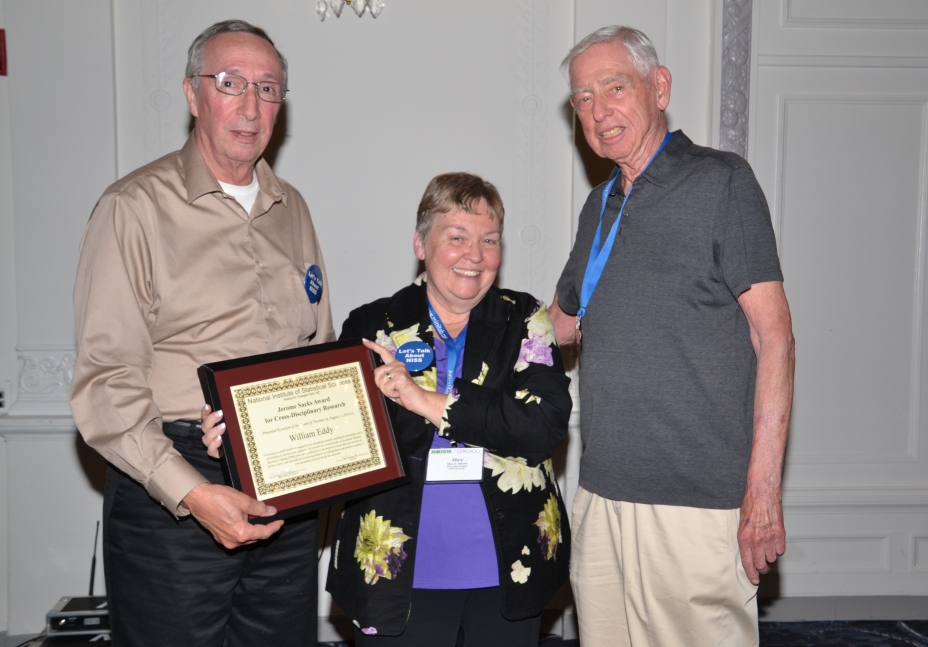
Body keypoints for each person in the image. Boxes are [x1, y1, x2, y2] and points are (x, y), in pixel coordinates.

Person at [69, 20, 334, 647]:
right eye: (229, 83)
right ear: (193, 95)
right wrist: (191, 492)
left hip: (285, 485)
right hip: (175, 487)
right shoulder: (133, 208)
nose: (250, 105)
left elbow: (315, 349)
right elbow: (106, 382)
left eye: (268, 89)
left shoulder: (291, 206)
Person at [548, 26, 795, 647]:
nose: (598, 110)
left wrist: (763, 492)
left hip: (696, 503)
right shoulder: (600, 204)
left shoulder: (721, 183)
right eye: (582, 98)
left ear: (658, 88)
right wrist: (451, 315)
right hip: (601, 494)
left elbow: (775, 339)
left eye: (614, 87)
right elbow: (558, 326)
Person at [315, 173, 570, 646]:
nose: (475, 255)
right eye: (457, 237)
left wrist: (421, 400)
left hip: (507, 565)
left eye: (488, 240)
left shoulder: (524, 318)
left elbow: (541, 424)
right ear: (420, 243)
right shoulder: (373, 325)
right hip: (395, 570)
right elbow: (336, 435)